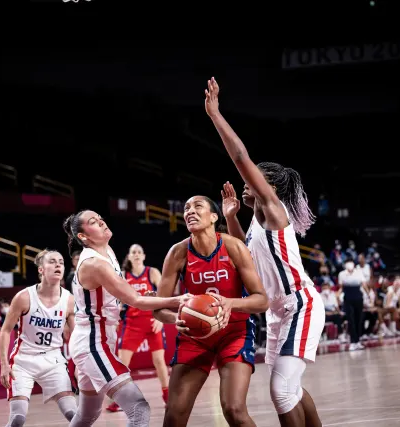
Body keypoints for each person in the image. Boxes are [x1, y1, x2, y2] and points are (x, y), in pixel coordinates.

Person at [205, 77, 325, 427]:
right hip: (277, 311)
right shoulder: (258, 223)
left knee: (281, 391)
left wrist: (215, 115)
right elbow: (245, 254)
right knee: (293, 389)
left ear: (267, 186)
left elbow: (241, 157)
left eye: (252, 180)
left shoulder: (275, 211)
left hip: (299, 305)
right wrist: (230, 219)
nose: (245, 183)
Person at [63, 210, 192, 427]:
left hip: (97, 341)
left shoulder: (107, 251)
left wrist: (146, 297)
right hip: (93, 345)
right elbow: (134, 300)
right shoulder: (94, 264)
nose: (102, 222)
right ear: (83, 237)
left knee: (87, 415)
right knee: (138, 408)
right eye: (94, 222)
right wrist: (177, 300)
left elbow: (125, 293)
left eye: (101, 218)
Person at [153, 195, 269, 427]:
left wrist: (230, 303)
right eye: (186, 208)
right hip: (194, 338)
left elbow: (261, 300)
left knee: (234, 410)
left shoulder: (233, 247)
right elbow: (158, 308)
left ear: (214, 217)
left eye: (197, 206)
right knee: (174, 415)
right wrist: (176, 318)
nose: (190, 211)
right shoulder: (177, 253)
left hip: (234, 333)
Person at [0, 249, 78, 427]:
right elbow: (5, 331)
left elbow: (77, 337)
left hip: (53, 359)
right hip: (23, 360)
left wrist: (80, 365)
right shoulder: (24, 297)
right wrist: (4, 365)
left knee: (74, 414)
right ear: (41, 270)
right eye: (52, 261)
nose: (58, 264)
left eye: (61, 262)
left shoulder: (69, 300)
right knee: (17, 419)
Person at [106, 244, 169, 412]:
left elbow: (165, 293)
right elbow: (117, 298)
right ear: (129, 256)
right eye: (133, 252)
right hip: (132, 324)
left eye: (139, 252)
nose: (136, 254)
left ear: (144, 256)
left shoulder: (152, 272)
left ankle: (167, 394)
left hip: (152, 321)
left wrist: (161, 318)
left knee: (159, 361)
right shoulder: (124, 276)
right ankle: (122, 399)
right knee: (122, 363)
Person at [338, 260, 366, 351]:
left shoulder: (359, 272)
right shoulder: (342, 274)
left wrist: (368, 293)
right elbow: (341, 287)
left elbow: (364, 284)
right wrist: (338, 295)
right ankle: (352, 342)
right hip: (348, 297)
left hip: (358, 296)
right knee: (351, 319)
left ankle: (358, 341)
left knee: (358, 319)